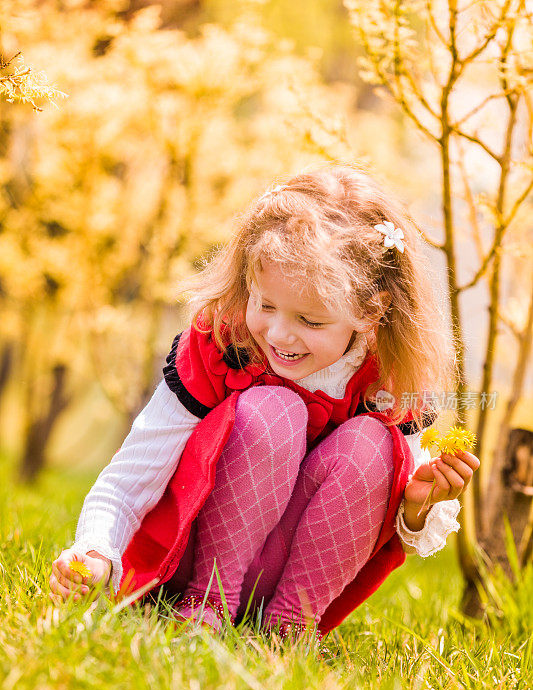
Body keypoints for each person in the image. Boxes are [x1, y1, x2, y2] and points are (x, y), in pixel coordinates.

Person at [49, 164, 479, 640]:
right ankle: (205, 608)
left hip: (292, 574)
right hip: (196, 562)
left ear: (371, 310)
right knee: (274, 411)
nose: (278, 335)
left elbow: (398, 525)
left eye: (310, 321)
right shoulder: (224, 343)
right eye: (266, 304)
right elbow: (130, 478)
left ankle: (288, 630)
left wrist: (416, 505)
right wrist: (96, 553)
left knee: (373, 444)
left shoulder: (393, 380)